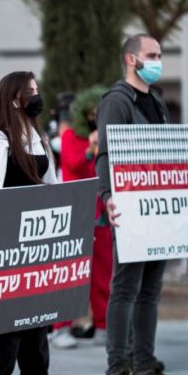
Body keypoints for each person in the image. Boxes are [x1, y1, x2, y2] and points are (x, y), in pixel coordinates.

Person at [0, 71, 71, 375]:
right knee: (4, 319)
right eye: (31, 90)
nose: (37, 96)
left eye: (37, 89)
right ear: (14, 98)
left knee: (37, 315)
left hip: (36, 239)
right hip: (6, 237)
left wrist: (68, 227)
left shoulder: (39, 139)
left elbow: (53, 187)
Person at [95, 33, 188, 375]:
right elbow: (105, 154)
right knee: (125, 288)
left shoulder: (157, 100)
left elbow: (167, 154)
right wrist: (107, 196)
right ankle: (116, 370)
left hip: (157, 209)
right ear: (131, 59)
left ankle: (144, 365)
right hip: (130, 208)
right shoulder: (116, 101)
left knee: (150, 290)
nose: (158, 61)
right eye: (152, 55)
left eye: (160, 55)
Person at [52, 85, 112, 350]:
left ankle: (103, 326)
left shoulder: (106, 136)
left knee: (102, 276)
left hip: (101, 216)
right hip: (75, 215)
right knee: (69, 274)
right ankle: (61, 328)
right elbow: (73, 164)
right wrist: (90, 149)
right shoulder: (70, 137)